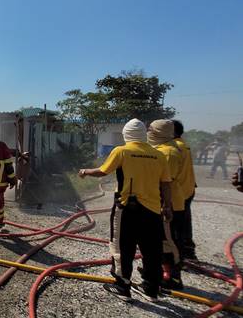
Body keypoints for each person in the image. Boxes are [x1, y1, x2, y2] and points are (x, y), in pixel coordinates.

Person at [79, 118, 173, 302]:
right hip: (153, 210)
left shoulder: (122, 151)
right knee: (152, 249)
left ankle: (122, 287)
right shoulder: (158, 154)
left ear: (126, 134)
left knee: (122, 246)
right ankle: (151, 289)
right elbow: (166, 183)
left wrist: (85, 171)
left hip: (127, 209)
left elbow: (103, 171)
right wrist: (167, 206)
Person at [148, 120, 184, 289]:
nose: (148, 132)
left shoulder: (168, 153)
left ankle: (173, 277)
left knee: (168, 241)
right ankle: (160, 271)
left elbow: (165, 182)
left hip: (167, 204)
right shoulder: (164, 149)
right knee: (159, 240)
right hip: (161, 202)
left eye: (151, 130)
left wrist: (166, 205)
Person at [172, 120, 198, 260]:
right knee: (185, 220)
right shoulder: (184, 144)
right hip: (188, 188)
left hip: (179, 191)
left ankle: (177, 255)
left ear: (173, 132)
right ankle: (188, 250)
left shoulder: (174, 147)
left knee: (175, 224)